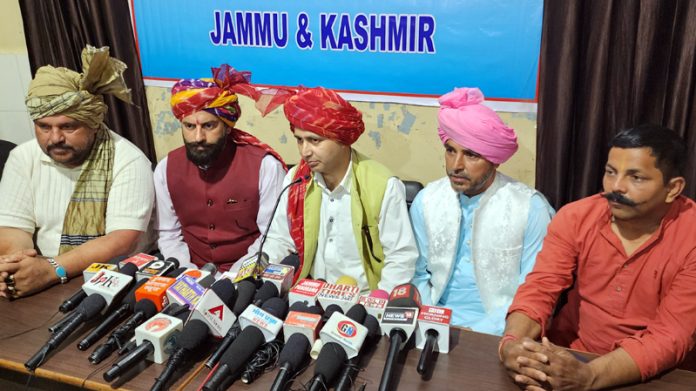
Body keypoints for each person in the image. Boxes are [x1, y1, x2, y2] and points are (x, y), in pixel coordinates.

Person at [501, 124, 696, 390]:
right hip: (569, 357)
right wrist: (513, 345)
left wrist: (588, 377)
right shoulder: (576, 217)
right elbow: (540, 289)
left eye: (636, 177)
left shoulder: (691, 235)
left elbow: (670, 335)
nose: (616, 187)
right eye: (610, 172)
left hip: (658, 373)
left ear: (673, 188)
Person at [0, 46, 154, 299]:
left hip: (115, 280)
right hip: (39, 274)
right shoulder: (23, 157)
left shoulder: (128, 159)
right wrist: (16, 266)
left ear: (92, 124)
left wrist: (52, 270)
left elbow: (120, 239)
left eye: (68, 126)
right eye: (44, 127)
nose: (55, 138)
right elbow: (12, 227)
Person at [410, 87, 554, 334]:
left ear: (494, 159)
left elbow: (534, 290)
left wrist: (481, 332)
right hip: (432, 324)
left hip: (500, 332)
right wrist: (430, 321)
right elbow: (417, 274)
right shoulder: (427, 200)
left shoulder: (530, 208)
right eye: (451, 150)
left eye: (471, 155)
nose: (456, 165)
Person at [257, 86, 418, 293]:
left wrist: (378, 302)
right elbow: (279, 239)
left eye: (315, 140)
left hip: (364, 299)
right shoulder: (297, 179)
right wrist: (262, 272)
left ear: (342, 140)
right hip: (309, 294)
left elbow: (401, 256)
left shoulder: (383, 185)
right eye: (299, 140)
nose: (305, 151)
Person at [154, 65, 286, 271]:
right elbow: (169, 234)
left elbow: (274, 237)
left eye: (208, 126)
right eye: (190, 126)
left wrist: (237, 276)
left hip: (248, 274)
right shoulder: (166, 169)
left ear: (227, 126)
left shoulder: (265, 167)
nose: (198, 137)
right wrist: (188, 274)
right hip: (188, 272)